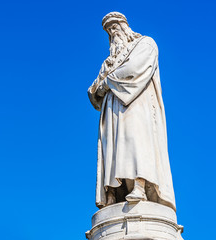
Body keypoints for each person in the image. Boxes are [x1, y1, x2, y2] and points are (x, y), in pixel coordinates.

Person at [88, 12, 176, 211]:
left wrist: (107, 83)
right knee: (112, 150)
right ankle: (113, 194)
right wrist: (101, 86)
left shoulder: (145, 44)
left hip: (136, 105)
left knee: (137, 142)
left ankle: (140, 186)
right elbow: (93, 90)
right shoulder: (108, 61)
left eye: (115, 27)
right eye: (109, 31)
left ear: (125, 27)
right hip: (111, 111)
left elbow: (134, 69)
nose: (112, 33)